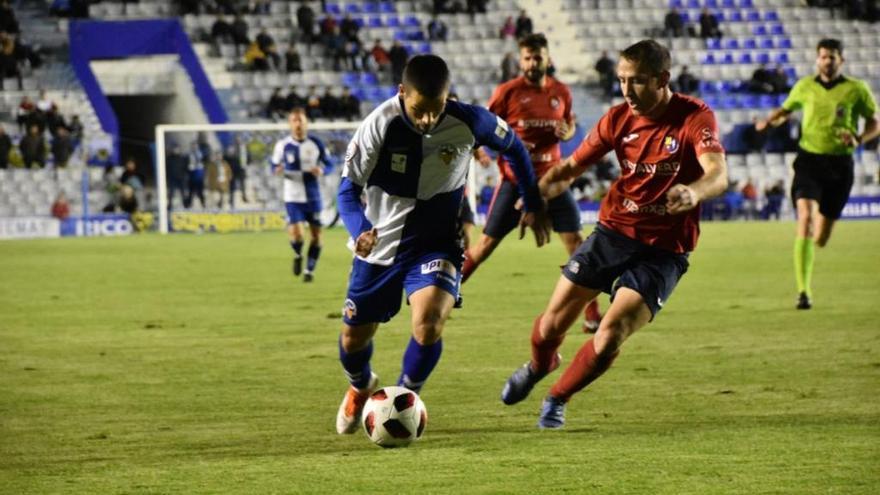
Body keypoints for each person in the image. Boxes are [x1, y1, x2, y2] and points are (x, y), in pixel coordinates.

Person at [499, 39, 728, 429]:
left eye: (636, 81)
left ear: (662, 79)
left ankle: (557, 398)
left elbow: (718, 173)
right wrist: (535, 201)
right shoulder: (618, 119)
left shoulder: (694, 116)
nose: (626, 90)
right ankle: (541, 364)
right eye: (622, 80)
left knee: (609, 336)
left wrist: (693, 192)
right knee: (552, 325)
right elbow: (568, 169)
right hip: (613, 233)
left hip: (665, 251)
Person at [333, 54, 549, 435]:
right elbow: (347, 192)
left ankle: (403, 399)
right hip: (381, 245)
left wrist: (531, 201)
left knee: (429, 323)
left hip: (437, 244)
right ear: (402, 93)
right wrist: (360, 228)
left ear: (448, 97)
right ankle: (360, 386)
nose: (428, 119)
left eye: (436, 110)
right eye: (419, 110)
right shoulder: (379, 125)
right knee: (353, 340)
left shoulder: (470, 120)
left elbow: (514, 148)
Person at [461, 33, 603, 331]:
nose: (532, 62)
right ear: (520, 60)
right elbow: (482, 124)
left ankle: (592, 317)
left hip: (553, 180)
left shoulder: (562, 91)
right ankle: (445, 291)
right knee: (485, 244)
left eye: (537, 57)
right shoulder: (507, 92)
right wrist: (478, 150)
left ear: (547, 59)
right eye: (527, 57)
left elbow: (569, 122)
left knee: (577, 246)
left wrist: (568, 131)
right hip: (515, 181)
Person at [754, 38, 878, 309]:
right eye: (823, 56)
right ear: (817, 59)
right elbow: (786, 109)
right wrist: (769, 121)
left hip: (840, 166)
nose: (827, 61)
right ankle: (804, 292)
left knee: (820, 237)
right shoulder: (804, 86)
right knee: (806, 219)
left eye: (832, 57)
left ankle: (815, 246)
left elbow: (874, 122)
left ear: (841, 60)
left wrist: (859, 138)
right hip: (809, 160)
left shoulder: (857, 89)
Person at [271, 108, 333, 282]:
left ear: (306, 123)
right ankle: (298, 254)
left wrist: (321, 169)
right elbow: (273, 165)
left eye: (301, 120)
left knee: (316, 236)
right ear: (290, 124)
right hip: (292, 197)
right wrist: (277, 169)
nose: (298, 124)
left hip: (313, 196)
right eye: (295, 120)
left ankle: (309, 271)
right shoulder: (282, 145)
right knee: (298, 235)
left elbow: (329, 164)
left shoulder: (316, 144)